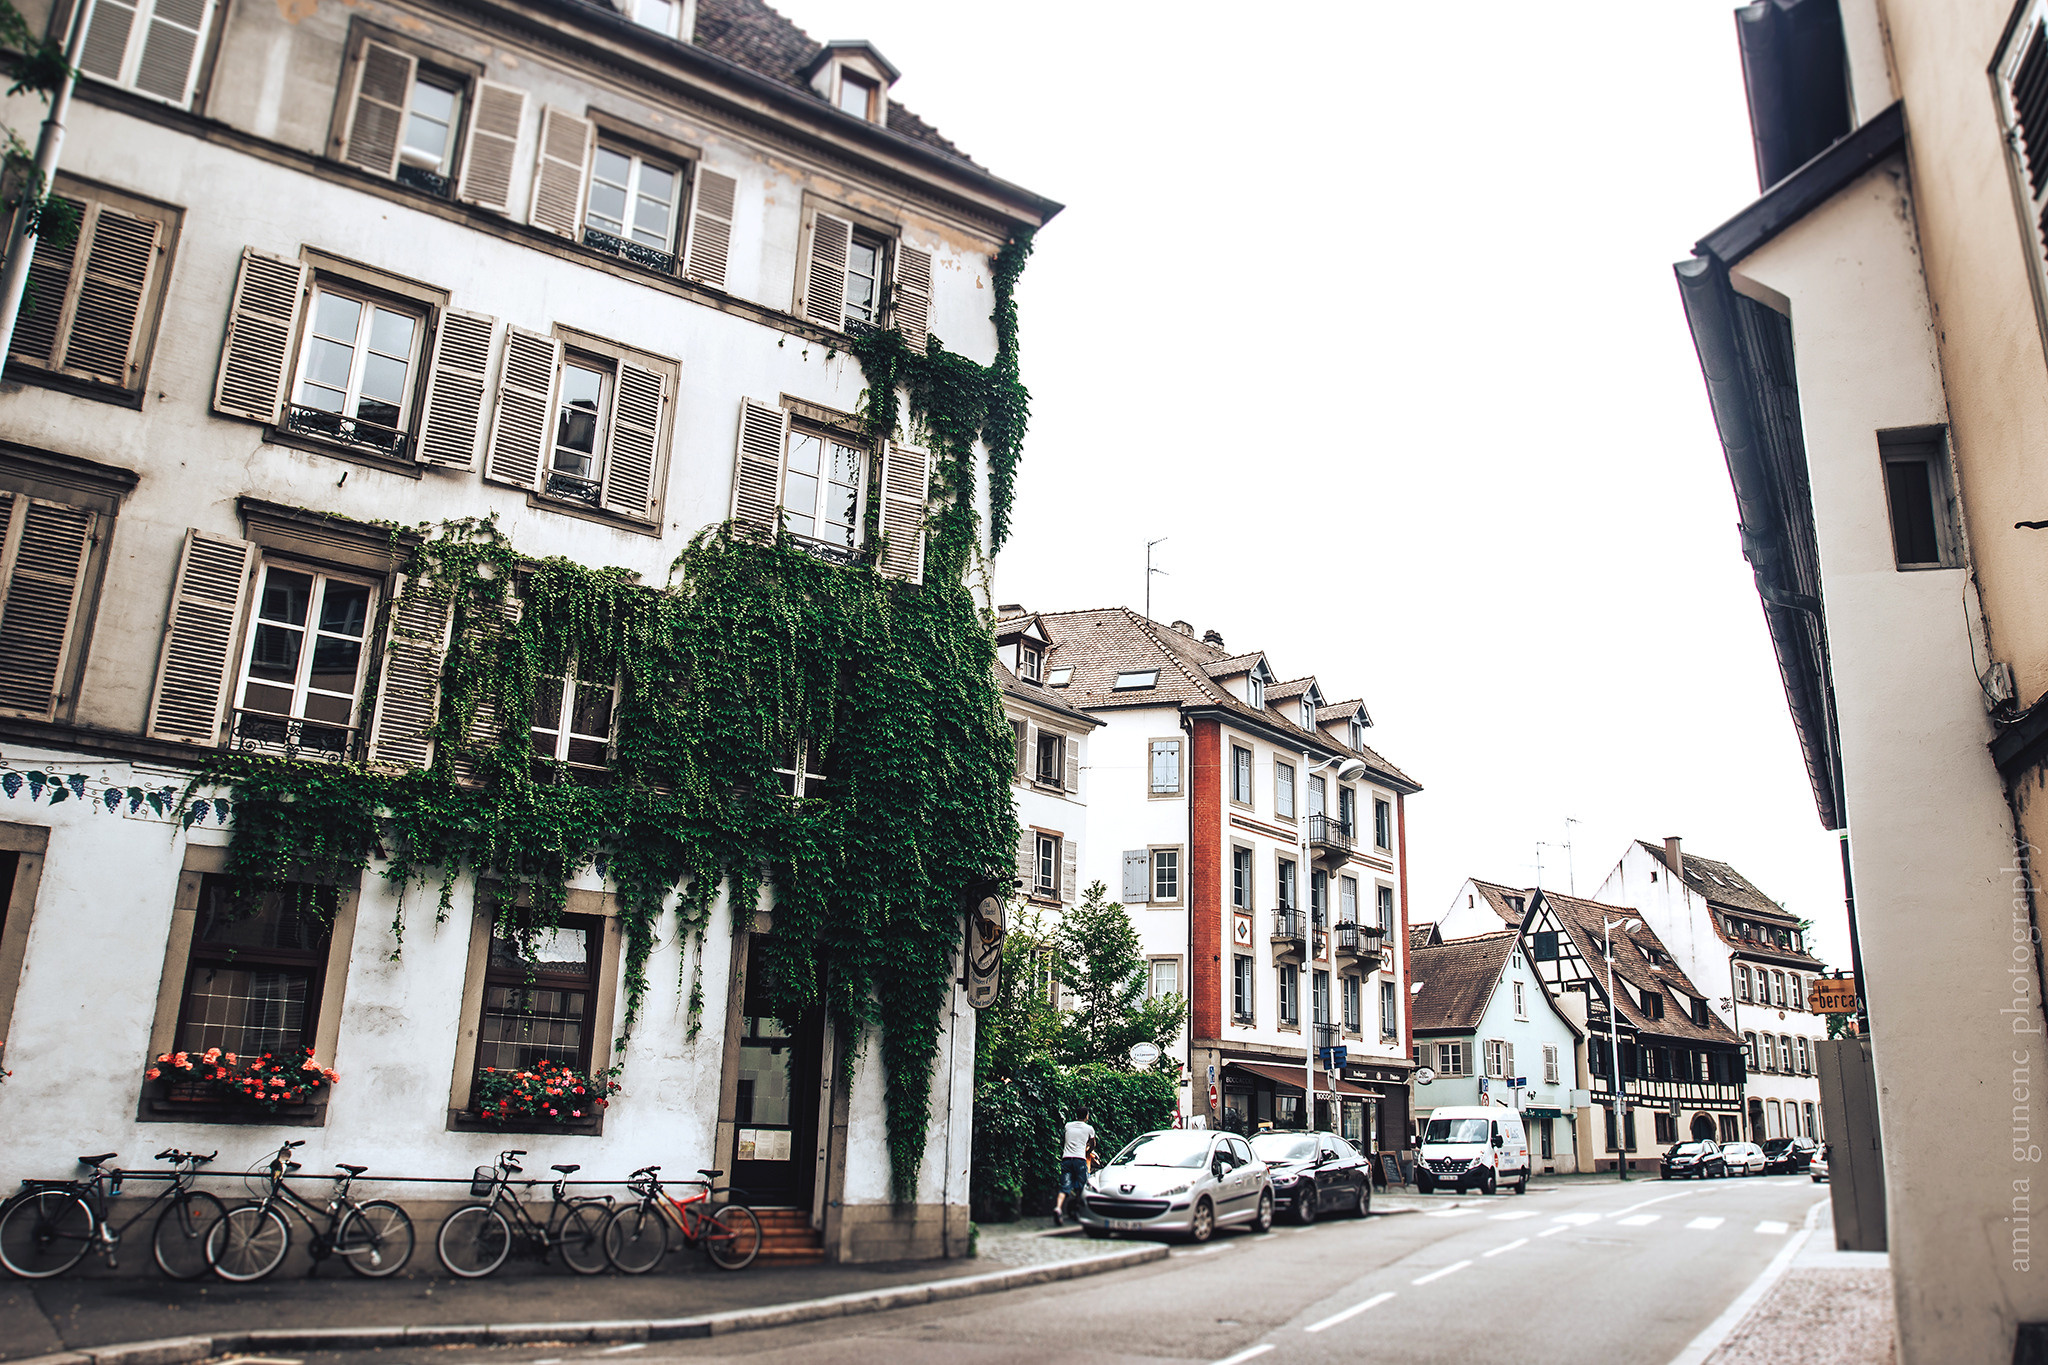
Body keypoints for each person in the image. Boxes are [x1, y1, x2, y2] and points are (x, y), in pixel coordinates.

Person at [1053, 1106, 1096, 1226]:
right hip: (1079, 1160)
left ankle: (1058, 1208)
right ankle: (1079, 1212)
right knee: (1082, 1188)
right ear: (1087, 1115)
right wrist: (1088, 1151)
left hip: (1066, 1159)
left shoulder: (1068, 1125)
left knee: (1065, 1187)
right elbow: (1093, 1144)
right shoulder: (1089, 1129)